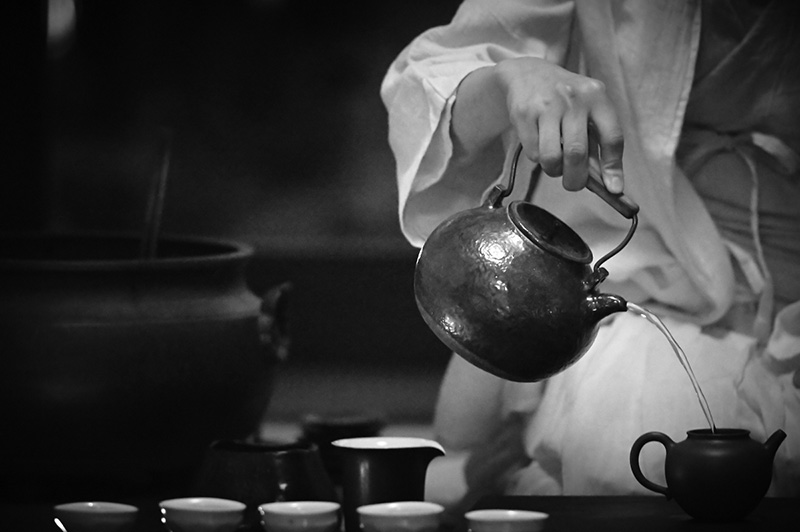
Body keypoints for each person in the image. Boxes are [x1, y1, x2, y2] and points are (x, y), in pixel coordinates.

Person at [380, 0, 800, 514]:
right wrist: (510, 80)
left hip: (781, 279)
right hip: (642, 272)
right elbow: (434, 79)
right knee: (626, 450)